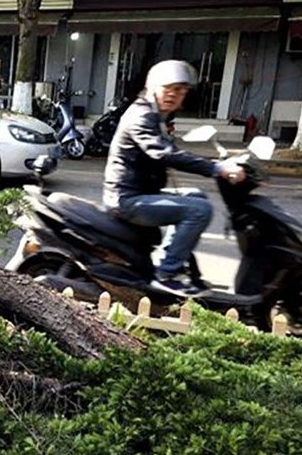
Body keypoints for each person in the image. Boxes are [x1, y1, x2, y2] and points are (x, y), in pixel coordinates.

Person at [102, 59, 246, 296]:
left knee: (196, 196)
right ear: (153, 87)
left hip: (141, 192)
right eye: (168, 88)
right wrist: (216, 168)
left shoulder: (158, 116)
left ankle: (169, 257)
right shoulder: (142, 115)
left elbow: (170, 152)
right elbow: (164, 154)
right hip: (127, 199)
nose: (174, 95)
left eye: (181, 90)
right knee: (199, 210)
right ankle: (166, 274)